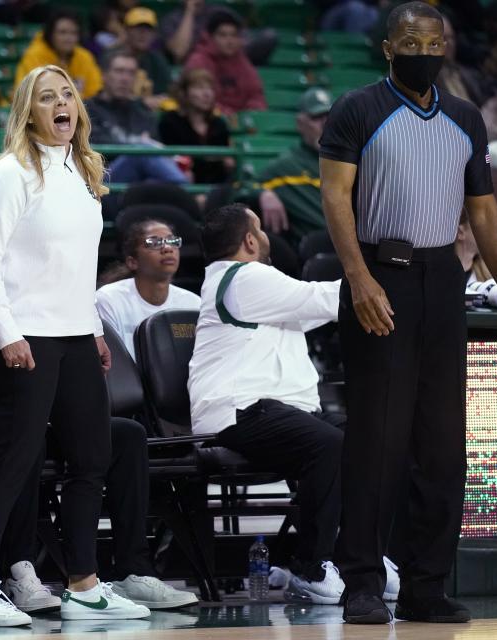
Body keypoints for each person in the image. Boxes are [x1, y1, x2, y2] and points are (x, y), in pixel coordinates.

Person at [319, 2, 497, 624]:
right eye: (412, 40)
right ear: (388, 48)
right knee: (378, 440)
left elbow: (482, 214)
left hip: (442, 279)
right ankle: (364, 583)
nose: (425, 49)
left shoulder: (464, 117)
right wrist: (358, 278)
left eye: (435, 40)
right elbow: (335, 195)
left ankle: (427, 582)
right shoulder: (357, 109)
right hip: (380, 273)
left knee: (442, 443)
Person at [0, 63, 149, 627]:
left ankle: (84, 583)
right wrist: (7, 331)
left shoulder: (84, 174)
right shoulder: (9, 173)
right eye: (47, 97)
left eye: (67, 94)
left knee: (91, 457)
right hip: (22, 336)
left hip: (72, 334)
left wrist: (91, 327)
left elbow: (74, 268)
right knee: (14, 460)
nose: (61, 103)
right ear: (28, 111)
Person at [190, 203, 349, 605]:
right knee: (328, 445)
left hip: (269, 410)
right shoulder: (244, 276)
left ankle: (360, 560)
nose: (265, 237)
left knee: (368, 440)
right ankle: (310, 567)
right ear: (248, 240)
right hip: (238, 411)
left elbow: (315, 309)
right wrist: (387, 279)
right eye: (260, 230)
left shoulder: (250, 287)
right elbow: (325, 298)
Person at [96, 220, 201, 358]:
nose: (167, 248)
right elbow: (113, 364)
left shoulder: (194, 304)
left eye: (172, 241)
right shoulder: (108, 299)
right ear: (133, 262)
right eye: (154, 243)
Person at [87, 51, 188, 185]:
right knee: (142, 151)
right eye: (119, 71)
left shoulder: (144, 112)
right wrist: (139, 145)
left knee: (154, 181)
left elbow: (156, 154)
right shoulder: (87, 109)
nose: (125, 78)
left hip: (139, 183)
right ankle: (186, 189)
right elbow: (95, 149)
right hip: (103, 181)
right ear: (104, 75)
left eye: (131, 73)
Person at [249, 88, 333, 242]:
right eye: (316, 117)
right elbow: (244, 187)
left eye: (329, 117)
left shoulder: (353, 161)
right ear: (300, 124)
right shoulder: (288, 166)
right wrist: (263, 194)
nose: (325, 124)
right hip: (322, 247)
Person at [159, 69, 234, 185]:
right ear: (184, 93)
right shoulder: (170, 122)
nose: (207, 94)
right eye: (199, 88)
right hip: (181, 186)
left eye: (210, 89)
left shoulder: (219, 124)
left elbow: (226, 163)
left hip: (216, 189)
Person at [185, 9, 266, 115]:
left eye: (234, 35)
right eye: (223, 35)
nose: (230, 41)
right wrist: (226, 114)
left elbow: (256, 94)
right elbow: (198, 99)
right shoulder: (199, 61)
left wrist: (253, 110)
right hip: (210, 119)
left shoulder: (243, 62)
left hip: (240, 121)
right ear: (210, 37)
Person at [15, 9, 102, 100]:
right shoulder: (35, 55)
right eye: (62, 32)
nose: (68, 38)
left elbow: (95, 91)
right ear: (51, 34)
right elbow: (31, 96)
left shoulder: (84, 56)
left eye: (74, 33)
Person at [110, 7, 171, 110]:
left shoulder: (157, 60)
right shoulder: (111, 57)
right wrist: (141, 102)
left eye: (148, 29)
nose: (143, 34)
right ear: (126, 31)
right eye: (138, 28)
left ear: (154, 34)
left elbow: (165, 94)